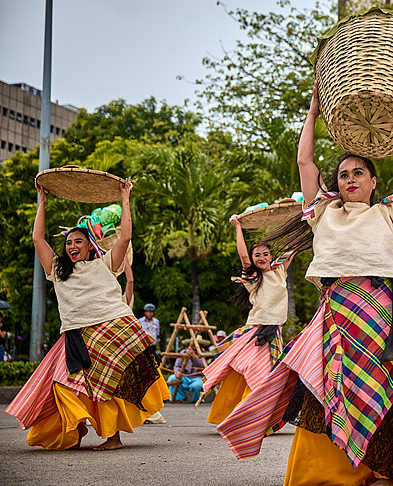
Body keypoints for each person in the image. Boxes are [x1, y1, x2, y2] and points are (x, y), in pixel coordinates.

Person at [216, 84, 393, 486]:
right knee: (332, 390)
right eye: (343, 174)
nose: (349, 179)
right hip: (338, 312)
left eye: (357, 173)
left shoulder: (389, 213)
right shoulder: (322, 212)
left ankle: (387, 470)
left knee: (384, 390)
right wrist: (313, 111)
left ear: (372, 181)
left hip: (384, 313)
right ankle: (337, 473)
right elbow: (304, 161)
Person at [6, 179, 169, 451]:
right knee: (62, 386)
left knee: (108, 387)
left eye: (78, 241)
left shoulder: (105, 263)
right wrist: (43, 202)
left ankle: (113, 438)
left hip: (110, 327)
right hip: (74, 335)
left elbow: (125, 237)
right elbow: (37, 238)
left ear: (90, 245)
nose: (72, 245)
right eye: (69, 242)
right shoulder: (57, 269)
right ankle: (77, 426)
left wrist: (124, 200)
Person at [202, 218, 294, 425]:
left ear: (271, 256)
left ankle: (251, 417)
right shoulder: (253, 277)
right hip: (256, 332)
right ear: (252, 259)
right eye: (257, 255)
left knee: (266, 375)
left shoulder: (280, 270)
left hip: (275, 332)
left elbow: (292, 245)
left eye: (265, 254)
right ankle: (248, 418)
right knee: (255, 373)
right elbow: (243, 255)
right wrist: (238, 227)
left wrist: (297, 215)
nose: (261, 258)